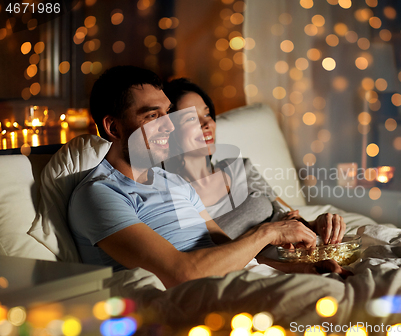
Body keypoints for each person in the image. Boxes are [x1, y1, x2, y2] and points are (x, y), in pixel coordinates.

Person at [67, 66, 348, 289]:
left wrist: (303, 269)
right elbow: (182, 273)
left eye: (169, 114)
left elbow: (232, 251)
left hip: (235, 281)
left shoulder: (171, 181)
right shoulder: (100, 194)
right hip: (187, 301)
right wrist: (268, 232)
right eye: (153, 116)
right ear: (113, 127)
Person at [162, 78, 346, 244]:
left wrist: (320, 223)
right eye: (191, 118)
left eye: (207, 114)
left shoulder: (239, 166)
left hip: (294, 253)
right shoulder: (173, 194)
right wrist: (268, 233)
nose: (207, 124)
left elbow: (289, 216)